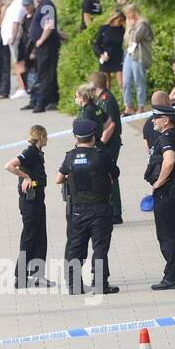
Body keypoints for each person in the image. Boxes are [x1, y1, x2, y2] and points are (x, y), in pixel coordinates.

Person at [56, 117, 119, 295]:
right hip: (100, 208)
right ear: (93, 137)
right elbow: (115, 174)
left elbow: (57, 179)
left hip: (78, 210)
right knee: (99, 247)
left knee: (75, 246)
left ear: (76, 138)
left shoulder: (69, 157)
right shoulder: (101, 156)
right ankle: (100, 284)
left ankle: (74, 285)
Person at [145, 107, 175, 291]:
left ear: (167, 120)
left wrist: (159, 182)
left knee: (167, 235)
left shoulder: (166, 138)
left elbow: (169, 161)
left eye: (156, 117)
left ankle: (172, 277)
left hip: (167, 192)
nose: (153, 121)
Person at [5, 125, 50, 288]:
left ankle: (38, 275)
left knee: (40, 238)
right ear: (41, 137)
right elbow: (9, 165)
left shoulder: (37, 153)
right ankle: (20, 276)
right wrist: (25, 176)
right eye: (46, 136)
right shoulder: (30, 152)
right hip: (30, 202)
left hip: (37, 200)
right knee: (29, 238)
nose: (47, 139)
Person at [90, 70, 123, 224]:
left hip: (110, 143)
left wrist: (100, 144)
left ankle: (115, 212)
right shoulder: (101, 99)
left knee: (110, 175)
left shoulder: (106, 99)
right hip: (106, 142)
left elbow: (111, 125)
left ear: (94, 85)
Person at [29, 0, 60, 113]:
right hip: (44, 45)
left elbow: (48, 25)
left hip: (46, 46)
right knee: (48, 73)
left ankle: (41, 103)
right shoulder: (42, 6)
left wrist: (41, 40)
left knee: (45, 74)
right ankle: (52, 100)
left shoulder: (47, 5)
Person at [121, 4, 153, 115]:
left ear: (135, 11)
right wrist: (129, 27)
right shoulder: (130, 24)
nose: (128, 16)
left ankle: (141, 106)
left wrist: (130, 27)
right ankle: (128, 106)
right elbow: (126, 41)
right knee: (125, 81)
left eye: (129, 13)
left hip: (139, 56)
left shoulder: (142, 23)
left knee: (139, 81)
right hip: (129, 54)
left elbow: (136, 38)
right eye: (126, 14)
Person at [1, 0, 28, 96]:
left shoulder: (18, 3)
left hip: (15, 37)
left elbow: (16, 22)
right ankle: (22, 86)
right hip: (13, 37)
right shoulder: (18, 2)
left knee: (18, 62)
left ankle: (23, 87)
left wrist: (12, 37)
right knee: (18, 62)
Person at [92, 7, 125, 95]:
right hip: (106, 59)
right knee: (106, 85)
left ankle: (127, 104)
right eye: (120, 20)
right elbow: (96, 44)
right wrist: (101, 55)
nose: (121, 22)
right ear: (114, 18)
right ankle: (106, 103)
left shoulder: (121, 29)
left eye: (122, 20)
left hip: (118, 58)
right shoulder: (104, 28)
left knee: (122, 83)